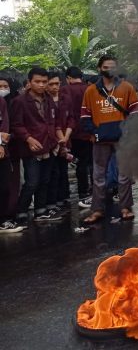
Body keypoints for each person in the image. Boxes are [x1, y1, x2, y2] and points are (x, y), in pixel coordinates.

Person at [81, 55, 138, 224]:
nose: (109, 70)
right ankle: (97, 210)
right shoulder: (91, 91)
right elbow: (85, 116)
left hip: (122, 139)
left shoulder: (127, 88)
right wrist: (94, 132)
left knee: (124, 175)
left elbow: (136, 112)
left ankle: (125, 208)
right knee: (98, 176)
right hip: (100, 140)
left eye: (112, 67)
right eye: (106, 67)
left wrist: (129, 131)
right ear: (100, 68)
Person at [11, 67, 64, 225]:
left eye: (44, 82)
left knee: (45, 180)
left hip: (49, 145)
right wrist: (28, 138)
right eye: (37, 82)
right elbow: (16, 125)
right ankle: (20, 213)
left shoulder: (49, 100)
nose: (41, 85)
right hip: (31, 149)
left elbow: (54, 122)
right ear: (29, 82)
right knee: (32, 182)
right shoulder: (19, 101)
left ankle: (41, 211)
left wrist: (59, 142)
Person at [64, 66, 93, 208]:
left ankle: (82, 193)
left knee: (78, 163)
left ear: (68, 78)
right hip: (91, 132)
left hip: (73, 133)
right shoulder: (91, 89)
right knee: (92, 163)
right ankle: (94, 191)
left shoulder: (65, 90)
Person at [45, 71, 73, 212]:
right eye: (51, 84)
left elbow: (71, 119)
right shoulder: (44, 100)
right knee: (52, 173)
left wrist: (66, 137)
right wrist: (59, 139)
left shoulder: (65, 98)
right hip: (51, 142)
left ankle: (63, 197)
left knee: (63, 171)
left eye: (57, 83)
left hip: (65, 139)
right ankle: (52, 201)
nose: (55, 87)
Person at [0, 79, 17, 232]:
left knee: (5, 187)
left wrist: (1, 144)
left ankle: (4, 219)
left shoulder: (2, 102)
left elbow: (5, 126)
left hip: (2, 151)